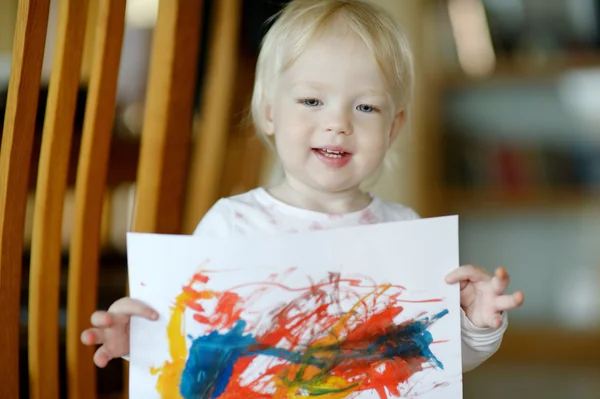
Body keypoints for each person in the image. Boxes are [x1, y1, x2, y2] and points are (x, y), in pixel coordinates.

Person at [81, 0, 524, 374]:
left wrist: (475, 326)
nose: (338, 123)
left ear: (394, 128)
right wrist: (138, 339)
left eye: (366, 106)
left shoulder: (402, 230)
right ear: (270, 111)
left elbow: (432, 361)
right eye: (312, 101)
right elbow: (188, 340)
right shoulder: (233, 225)